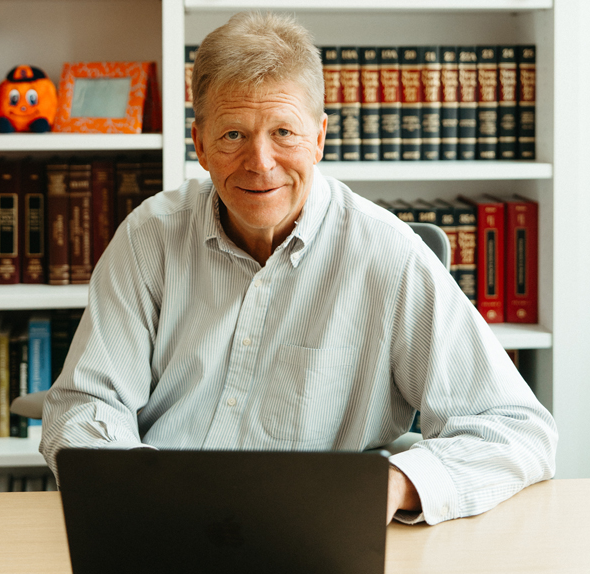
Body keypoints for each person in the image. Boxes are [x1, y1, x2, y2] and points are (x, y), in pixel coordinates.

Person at [40, 11, 557, 525]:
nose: (260, 163)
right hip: (160, 520)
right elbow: (84, 405)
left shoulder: (387, 254)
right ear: (199, 145)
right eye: (233, 135)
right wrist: (145, 490)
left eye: (284, 132)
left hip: (314, 530)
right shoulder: (148, 236)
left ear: (319, 139)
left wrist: (395, 484)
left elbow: (515, 427)